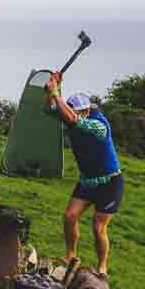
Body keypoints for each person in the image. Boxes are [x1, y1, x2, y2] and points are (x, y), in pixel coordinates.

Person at [44, 72, 124, 276]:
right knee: (69, 216)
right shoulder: (70, 114)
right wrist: (54, 90)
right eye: (78, 111)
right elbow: (49, 109)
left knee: (98, 227)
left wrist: (55, 92)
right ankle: (70, 255)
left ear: (88, 110)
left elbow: (71, 118)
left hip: (110, 182)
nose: (81, 114)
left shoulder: (98, 125)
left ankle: (102, 267)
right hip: (88, 180)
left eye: (84, 111)